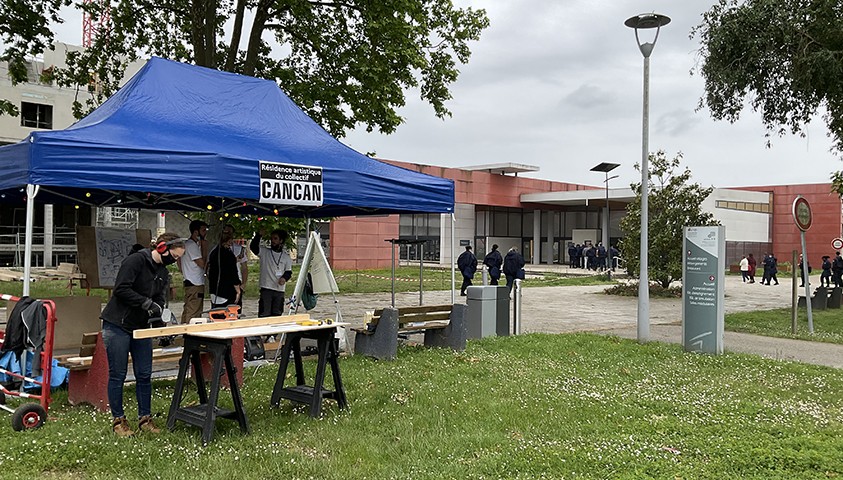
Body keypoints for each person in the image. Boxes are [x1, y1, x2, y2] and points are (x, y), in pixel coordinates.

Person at [101, 233, 184, 437]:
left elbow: (159, 298)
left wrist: (159, 313)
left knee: (145, 374)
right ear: (163, 248)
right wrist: (144, 303)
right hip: (117, 324)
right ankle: (118, 420)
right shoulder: (136, 260)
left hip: (141, 327)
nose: (175, 261)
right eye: (174, 257)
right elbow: (121, 289)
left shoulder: (163, 273)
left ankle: (145, 418)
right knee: (118, 374)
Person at [250, 229, 293, 317]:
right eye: (271, 239)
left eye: (275, 238)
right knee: (264, 314)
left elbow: (288, 272)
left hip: (279, 290)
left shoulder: (286, 257)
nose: (272, 241)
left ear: (281, 241)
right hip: (266, 288)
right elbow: (253, 247)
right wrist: (258, 235)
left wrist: (284, 278)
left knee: (277, 314)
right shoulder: (265, 252)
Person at [179, 220, 208, 323]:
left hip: (189, 279)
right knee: (194, 310)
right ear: (196, 232)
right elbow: (202, 264)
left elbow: (179, 261)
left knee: (188, 308)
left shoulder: (186, 244)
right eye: (204, 230)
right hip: (195, 282)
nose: (206, 233)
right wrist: (204, 248)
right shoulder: (192, 246)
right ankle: (189, 333)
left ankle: (183, 330)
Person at [207, 226, 242, 308]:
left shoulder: (214, 253)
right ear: (229, 241)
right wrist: (238, 290)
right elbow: (233, 273)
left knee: (216, 313)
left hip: (214, 289)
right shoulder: (229, 255)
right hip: (226, 290)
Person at [223, 224, 248, 306]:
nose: (228, 234)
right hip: (223, 282)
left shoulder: (239, 248)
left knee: (236, 308)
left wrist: (243, 284)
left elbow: (244, 267)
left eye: (230, 232)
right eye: (226, 232)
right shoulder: (217, 249)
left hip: (236, 281)